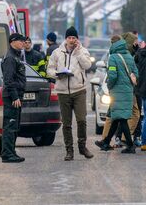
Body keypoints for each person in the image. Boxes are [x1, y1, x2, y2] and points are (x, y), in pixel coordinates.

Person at [46, 26, 94, 161]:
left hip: (78, 90)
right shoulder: (57, 52)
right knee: (66, 123)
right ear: (65, 39)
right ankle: (69, 150)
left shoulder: (83, 51)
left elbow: (87, 66)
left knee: (81, 120)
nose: (71, 40)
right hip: (62, 91)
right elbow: (49, 69)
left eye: (74, 38)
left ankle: (82, 146)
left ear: (77, 39)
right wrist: (57, 74)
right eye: (69, 38)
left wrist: (78, 52)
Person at [95, 36, 139, 154]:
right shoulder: (129, 56)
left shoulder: (113, 57)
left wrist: (109, 86)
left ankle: (130, 145)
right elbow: (136, 73)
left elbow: (113, 75)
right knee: (116, 118)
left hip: (117, 92)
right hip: (128, 91)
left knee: (121, 119)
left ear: (113, 45)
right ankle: (106, 142)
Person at [0, 33, 27, 163]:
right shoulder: (10, 58)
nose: (23, 43)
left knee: (14, 125)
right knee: (10, 126)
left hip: (16, 95)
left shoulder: (16, 56)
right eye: (21, 41)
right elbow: (8, 80)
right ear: (13, 42)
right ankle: (7, 154)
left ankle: (11, 152)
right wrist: (15, 96)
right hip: (12, 97)